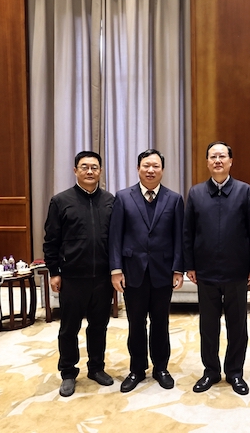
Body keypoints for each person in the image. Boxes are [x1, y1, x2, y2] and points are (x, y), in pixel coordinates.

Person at [183, 141, 250, 396]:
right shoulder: (196, 193)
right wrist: (189, 264)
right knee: (208, 325)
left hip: (236, 271)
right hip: (205, 271)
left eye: (222, 156)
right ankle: (211, 371)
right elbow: (188, 233)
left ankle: (235, 372)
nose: (217, 160)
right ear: (207, 162)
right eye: (213, 156)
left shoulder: (245, 191)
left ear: (230, 161)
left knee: (237, 325)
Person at [108, 149, 184, 393]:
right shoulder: (123, 197)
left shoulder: (174, 199)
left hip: (163, 271)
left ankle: (161, 368)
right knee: (136, 322)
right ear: (138, 168)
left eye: (155, 166)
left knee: (161, 322)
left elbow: (179, 237)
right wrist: (116, 269)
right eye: (146, 166)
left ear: (162, 170)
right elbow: (115, 236)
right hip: (133, 271)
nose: (150, 170)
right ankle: (137, 369)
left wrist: (178, 269)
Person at [43, 150, 115, 397]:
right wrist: (54, 271)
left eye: (94, 167)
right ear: (75, 170)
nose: (89, 171)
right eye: (84, 167)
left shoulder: (110, 201)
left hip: (102, 277)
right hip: (72, 277)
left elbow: (116, 239)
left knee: (99, 326)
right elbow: (51, 240)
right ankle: (68, 372)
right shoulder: (60, 201)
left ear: (100, 171)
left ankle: (96, 368)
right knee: (69, 328)